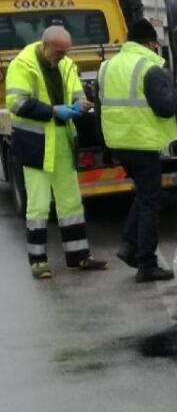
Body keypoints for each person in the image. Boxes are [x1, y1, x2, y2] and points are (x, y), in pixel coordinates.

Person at [4, 26, 107, 278]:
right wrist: (54, 111)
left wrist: (80, 105)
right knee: (38, 205)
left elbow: (77, 94)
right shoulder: (23, 65)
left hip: (61, 142)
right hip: (35, 145)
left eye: (66, 52)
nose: (63, 56)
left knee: (71, 203)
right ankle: (38, 261)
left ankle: (78, 257)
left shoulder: (65, 64)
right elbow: (16, 103)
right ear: (45, 46)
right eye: (59, 52)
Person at [98, 18, 177, 282]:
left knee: (146, 193)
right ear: (150, 43)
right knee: (151, 200)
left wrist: (106, 146)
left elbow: (101, 107)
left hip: (118, 142)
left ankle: (128, 245)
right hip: (142, 142)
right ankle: (146, 263)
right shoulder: (150, 68)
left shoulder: (108, 66)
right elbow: (167, 107)